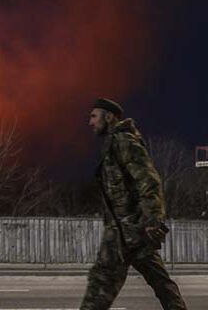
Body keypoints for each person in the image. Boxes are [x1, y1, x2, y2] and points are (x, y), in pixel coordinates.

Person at [80, 98, 187, 310]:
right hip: (126, 232)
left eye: (94, 116)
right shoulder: (112, 145)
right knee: (160, 284)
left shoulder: (124, 142)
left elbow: (149, 181)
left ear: (108, 117)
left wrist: (153, 220)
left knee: (102, 284)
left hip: (130, 231)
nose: (90, 122)